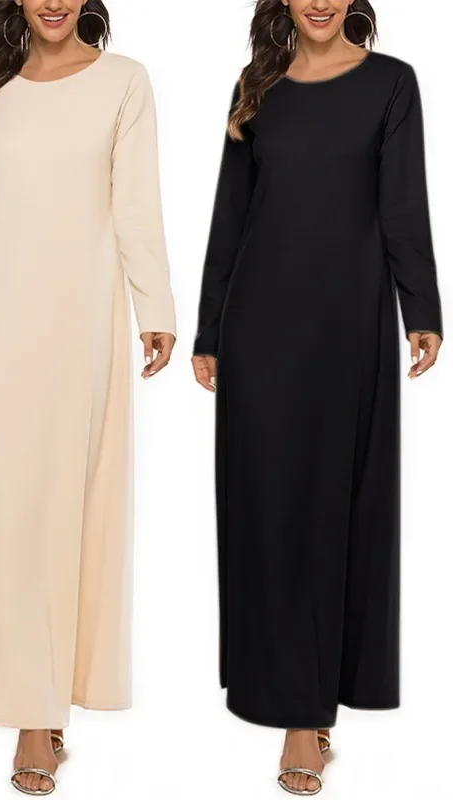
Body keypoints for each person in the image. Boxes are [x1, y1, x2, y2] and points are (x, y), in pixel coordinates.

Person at [0, 0, 176, 794]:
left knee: (69, 506)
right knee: (3, 513)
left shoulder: (125, 82)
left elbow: (136, 203)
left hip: (79, 325)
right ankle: (25, 706)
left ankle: (50, 705)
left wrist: (156, 307)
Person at [191, 0, 442, 795]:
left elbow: (403, 202)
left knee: (336, 506)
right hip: (258, 326)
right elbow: (231, 213)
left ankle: (313, 714)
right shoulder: (255, 88)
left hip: (348, 325)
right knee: (267, 510)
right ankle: (288, 703)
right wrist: (209, 328)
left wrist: (422, 309)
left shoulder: (391, 84)